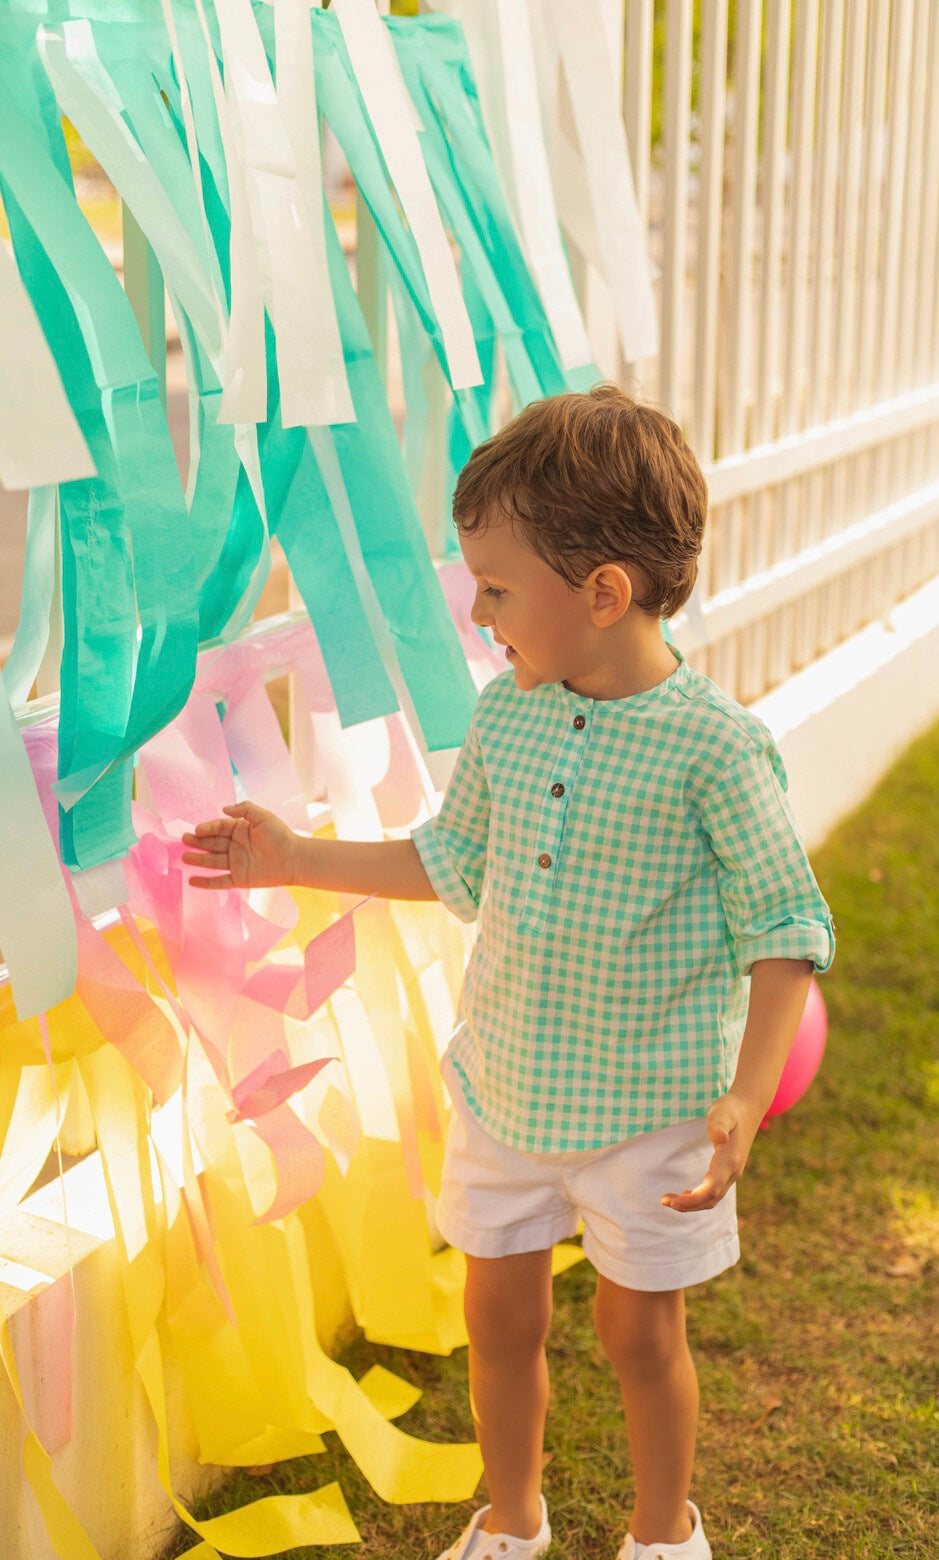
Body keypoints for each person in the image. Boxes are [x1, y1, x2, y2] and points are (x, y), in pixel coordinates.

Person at [182, 385, 835, 1560]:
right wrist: (291, 855)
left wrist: (740, 1097)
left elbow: (781, 926)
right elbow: (449, 861)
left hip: (649, 1112)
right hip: (506, 1087)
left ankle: (661, 1532)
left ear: (601, 593)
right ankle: (513, 1516)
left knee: (639, 1336)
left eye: (494, 587)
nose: (477, 613)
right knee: (496, 1315)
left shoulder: (714, 749)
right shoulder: (510, 717)